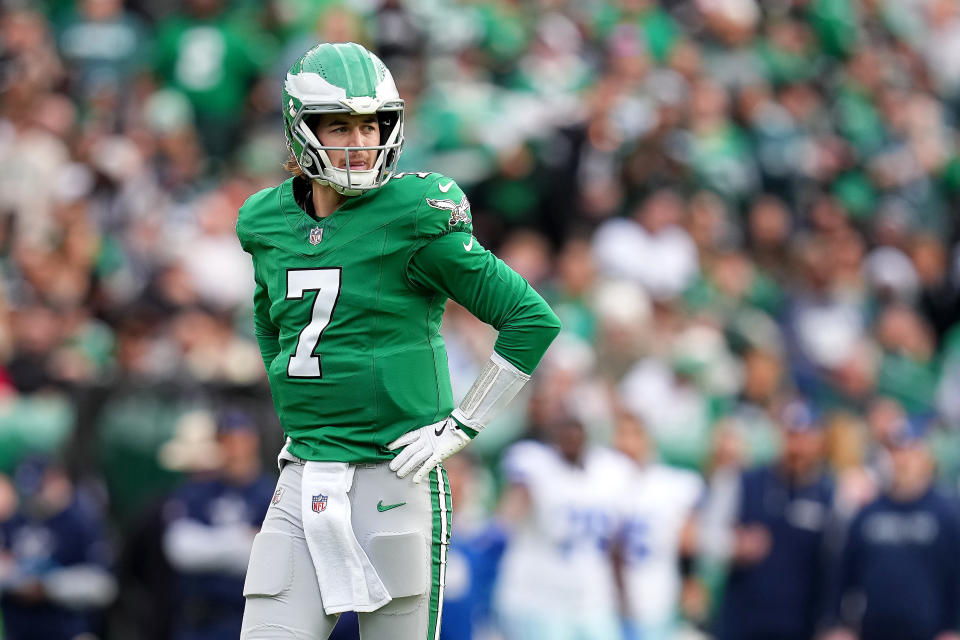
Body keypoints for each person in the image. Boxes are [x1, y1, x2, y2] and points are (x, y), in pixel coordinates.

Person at [235, 42, 561, 640]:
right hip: (305, 475)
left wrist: (462, 424)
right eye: (340, 126)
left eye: (371, 124)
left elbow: (530, 319)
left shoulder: (415, 210)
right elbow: (270, 323)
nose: (361, 142)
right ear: (300, 128)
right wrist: (304, 407)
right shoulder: (264, 219)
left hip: (397, 476)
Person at [493, 415, 629, 640]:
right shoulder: (536, 464)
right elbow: (510, 512)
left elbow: (616, 543)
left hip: (593, 595)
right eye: (566, 437)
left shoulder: (608, 472)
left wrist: (623, 596)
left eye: (577, 437)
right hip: (543, 596)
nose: (572, 442)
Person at [824, 418, 960, 640]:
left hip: (930, 632)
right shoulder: (868, 514)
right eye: (896, 452)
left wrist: (953, 629)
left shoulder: (947, 514)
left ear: (927, 457)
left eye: (911, 451)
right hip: (874, 630)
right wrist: (838, 625)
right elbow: (843, 575)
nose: (903, 460)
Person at [715, 399, 837, 640]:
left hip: (800, 624)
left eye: (805, 437)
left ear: (819, 442)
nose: (797, 447)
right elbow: (706, 535)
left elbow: (837, 564)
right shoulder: (746, 482)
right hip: (743, 621)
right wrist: (732, 545)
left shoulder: (831, 495)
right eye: (791, 436)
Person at [160, 409, 277, 640]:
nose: (232, 450)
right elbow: (181, 549)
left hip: (249, 620)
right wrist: (241, 539)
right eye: (225, 442)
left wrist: (212, 543)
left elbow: (273, 557)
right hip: (199, 619)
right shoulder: (199, 490)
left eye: (238, 441)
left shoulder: (272, 493)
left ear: (252, 443)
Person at [612, 411, 705, 640]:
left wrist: (690, 582)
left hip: (655, 599)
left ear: (648, 440)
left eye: (635, 435)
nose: (628, 443)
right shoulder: (598, 481)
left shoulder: (672, 485)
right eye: (622, 435)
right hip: (603, 603)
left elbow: (688, 543)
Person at [0, 458, 116, 640]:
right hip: (20, 630)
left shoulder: (82, 523)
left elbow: (103, 586)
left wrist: (50, 588)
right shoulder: (15, 523)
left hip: (67, 629)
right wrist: (13, 579)